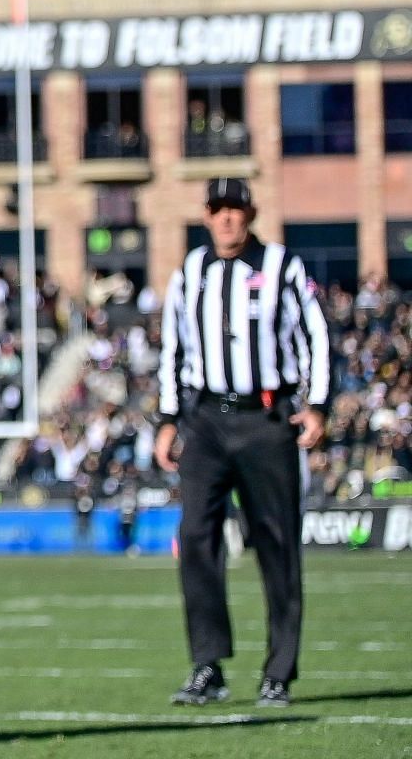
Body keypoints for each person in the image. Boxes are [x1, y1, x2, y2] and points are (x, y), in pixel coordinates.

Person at [155, 177, 328, 708]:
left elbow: (316, 336)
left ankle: (279, 670)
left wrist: (316, 405)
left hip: (265, 418)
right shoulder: (190, 271)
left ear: (251, 213)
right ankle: (207, 665)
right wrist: (166, 419)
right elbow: (173, 345)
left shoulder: (284, 267)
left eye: (236, 209)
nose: (227, 218)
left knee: (277, 545)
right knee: (196, 538)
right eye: (218, 209)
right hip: (205, 420)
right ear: (206, 216)